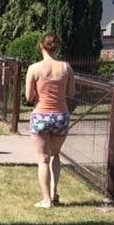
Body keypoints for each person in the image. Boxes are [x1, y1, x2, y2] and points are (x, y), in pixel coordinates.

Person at [25, 32, 76, 209]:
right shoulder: (66, 68)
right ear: (57, 47)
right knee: (55, 155)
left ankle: (46, 200)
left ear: (41, 46)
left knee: (43, 159)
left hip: (41, 115)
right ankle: (54, 194)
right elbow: (71, 93)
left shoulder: (34, 69)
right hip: (61, 115)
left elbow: (29, 96)